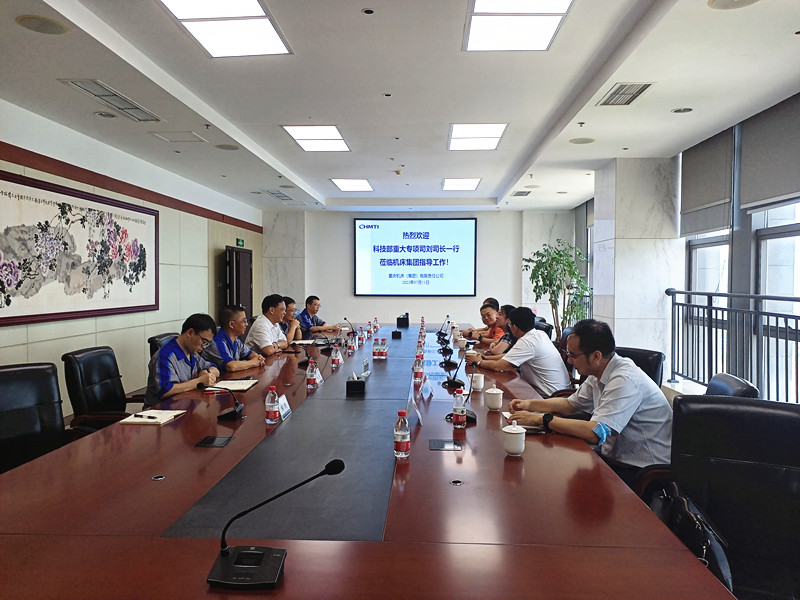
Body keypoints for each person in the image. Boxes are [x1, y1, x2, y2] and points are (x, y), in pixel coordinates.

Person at [507, 319, 673, 485]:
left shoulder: (624, 380)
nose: (569, 361)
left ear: (596, 356)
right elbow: (570, 404)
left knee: (555, 479)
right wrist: (529, 404)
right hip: (615, 457)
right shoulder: (599, 371)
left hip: (642, 470)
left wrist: (542, 419)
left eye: (573, 355)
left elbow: (595, 433)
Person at [477, 306, 570, 397]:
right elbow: (509, 357)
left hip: (549, 395)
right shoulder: (540, 334)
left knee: (501, 395)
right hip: (561, 391)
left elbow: (498, 366)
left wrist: (478, 362)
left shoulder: (527, 341)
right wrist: (485, 358)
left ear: (514, 327)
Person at [144, 313, 220, 408]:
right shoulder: (165, 355)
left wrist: (205, 372)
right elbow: (166, 391)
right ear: (190, 333)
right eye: (204, 341)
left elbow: (215, 369)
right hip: (161, 411)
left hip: (185, 406)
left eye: (207, 344)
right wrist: (199, 381)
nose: (204, 347)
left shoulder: (192, 353)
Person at [202, 305, 266, 372]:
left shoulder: (236, 340)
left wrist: (258, 359)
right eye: (244, 321)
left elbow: (251, 354)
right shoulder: (217, 341)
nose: (246, 324)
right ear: (231, 324)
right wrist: (253, 363)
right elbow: (231, 366)